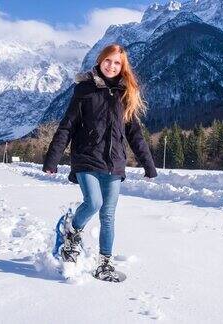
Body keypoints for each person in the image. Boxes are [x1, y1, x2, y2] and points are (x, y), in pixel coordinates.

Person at [42, 44, 157, 281]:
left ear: (122, 67)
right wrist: (52, 158)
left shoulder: (126, 95)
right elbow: (68, 125)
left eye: (117, 63)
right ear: (100, 60)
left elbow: (134, 133)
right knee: (93, 202)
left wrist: (148, 163)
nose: (112, 66)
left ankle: (105, 262)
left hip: (114, 163)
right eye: (108, 60)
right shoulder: (84, 89)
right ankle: (72, 231)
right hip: (86, 158)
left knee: (108, 214)